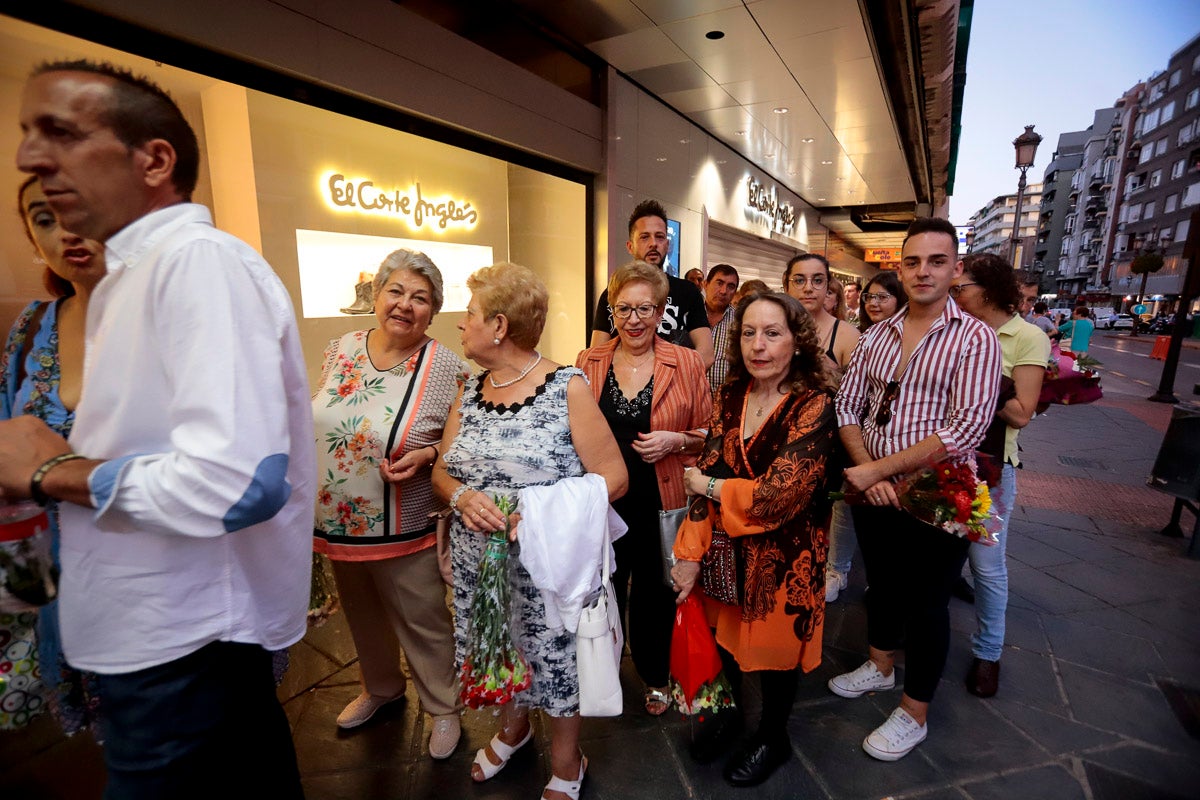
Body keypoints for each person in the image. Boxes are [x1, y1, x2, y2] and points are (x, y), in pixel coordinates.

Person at [1, 60, 314, 796]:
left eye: (63, 133)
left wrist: (55, 471)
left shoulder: (196, 264)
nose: (29, 158)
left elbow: (240, 485)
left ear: (155, 160)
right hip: (159, 642)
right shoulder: (129, 281)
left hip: (182, 649)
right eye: (27, 134)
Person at [433, 263, 627, 800]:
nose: (460, 325)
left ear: (498, 325)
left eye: (468, 315)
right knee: (502, 645)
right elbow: (442, 470)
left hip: (548, 562)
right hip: (482, 564)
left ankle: (567, 759)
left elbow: (614, 478)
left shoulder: (567, 386)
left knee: (555, 654)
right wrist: (461, 495)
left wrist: (535, 512)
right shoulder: (468, 390)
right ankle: (514, 728)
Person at [830, 217, 1001, 761]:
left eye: (936, 261)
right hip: (874, 488)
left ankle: (915, 711)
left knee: (928, 603)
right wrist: (867, 469)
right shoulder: (877, 334)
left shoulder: (975, 338)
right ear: (899, 268)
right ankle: (879, 666)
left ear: (956, 268)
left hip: (935, 493)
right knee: (882, 584)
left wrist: (880, 471)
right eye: (912, 261)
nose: (923, 271)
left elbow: (966, 429)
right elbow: (848, 405)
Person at [671, 291, 837, 787]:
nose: (758, 346)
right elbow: (706, 466)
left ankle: (773, 735)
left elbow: (780, 496)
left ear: (797, 341)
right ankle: (731, 717)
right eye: (748, 333)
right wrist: (690, 552)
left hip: (787, 557)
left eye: (772, 333)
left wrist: (715, 488)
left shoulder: (814, 405)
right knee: (725, 640)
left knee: (776, 654)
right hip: (725, 549)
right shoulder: (730, 396)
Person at [311, 249, 466, 755]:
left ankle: (444, 706)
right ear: (376, 295)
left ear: (434, 310)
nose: (404, 305)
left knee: (423, 616)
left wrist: (428, 453)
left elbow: (466, 443)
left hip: (406, 519)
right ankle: (381, 687)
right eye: (395, 291)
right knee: (361, 611)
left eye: (419, 298)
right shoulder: (341, 347)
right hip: (339, 515)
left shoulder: (447, 366)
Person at [577, 261, 711, 716]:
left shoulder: (687, 361)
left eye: (644, 309)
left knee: (656, 591)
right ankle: (602, 671)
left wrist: (676, 440)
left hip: (661, 498)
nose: (633, 320)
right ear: (611, 312)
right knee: (604, 586)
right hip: (605, 500)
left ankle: (654, 673)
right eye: (623, 309)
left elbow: (711, 433)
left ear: (661, 313)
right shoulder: (588, 362)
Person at [0, 177, 105, 736]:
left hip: (150, 575)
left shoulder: (171, 320)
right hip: (54, 567)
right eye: (43, 219)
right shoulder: (31, 327)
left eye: (75, 208)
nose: (64, 231)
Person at [950, 254, 1048, 698]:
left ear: (987, 289)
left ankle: (988, 653)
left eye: (961, 287)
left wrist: (984, 376)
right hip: (941, 459)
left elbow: (1022, 414)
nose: (956, 295)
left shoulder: (1027, 337)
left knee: (986, 566)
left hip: (989, 471)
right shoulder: (952, 328)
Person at [825, 270, 910, 603]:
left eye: (883, 297)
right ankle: (838, 570)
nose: (874, 303)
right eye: (869, 297)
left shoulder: (909, 338)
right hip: (855, 437)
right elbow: (848, 400)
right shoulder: (862, 336)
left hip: (898, 445)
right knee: (846, 507)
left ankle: (881, 579)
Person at [591, 200, 713, 369]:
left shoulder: (688, 292)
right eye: (644, 237)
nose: (653, 243)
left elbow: (706, 354)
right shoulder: (612, 293)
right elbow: (596, 356)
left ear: (667, 245)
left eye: (660, 236)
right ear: (630, 246)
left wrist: (675, 382)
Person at [783, 253, 860, 381]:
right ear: (786, 287)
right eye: (799, 281)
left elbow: (855, 394)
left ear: (827, 286)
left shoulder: (848, 336)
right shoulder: (771, 327)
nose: (808, 288)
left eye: (817, 281)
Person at [703, 263, 740, 391]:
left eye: (730, 286)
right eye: (719, 283)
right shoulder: (688, 315)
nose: (724, 291)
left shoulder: (740, 322)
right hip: (689, 402)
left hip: (724, 404)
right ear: (705, 284)